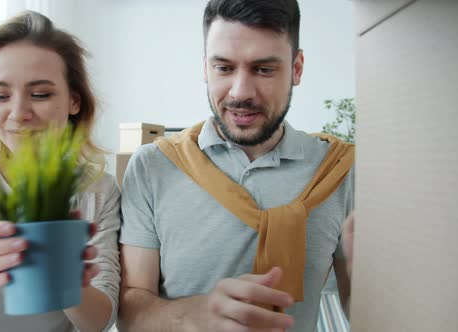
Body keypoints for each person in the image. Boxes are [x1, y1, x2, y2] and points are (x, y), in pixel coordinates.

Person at [117, 1, 354, 331]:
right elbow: (129, 311)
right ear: (205, 68)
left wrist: (379, 284)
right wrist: (194, 314)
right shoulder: (151, 167)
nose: (241, 92)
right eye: (224, 68)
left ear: (297, 68)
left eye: (264, 69)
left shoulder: (340, 171)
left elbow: (364, 308)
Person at [0, 11, 120, 332]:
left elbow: (100, 320)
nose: (18, 114)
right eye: (0, 96)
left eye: (40, 94)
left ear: (74, 100)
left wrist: (67, 281)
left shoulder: (97, 189)